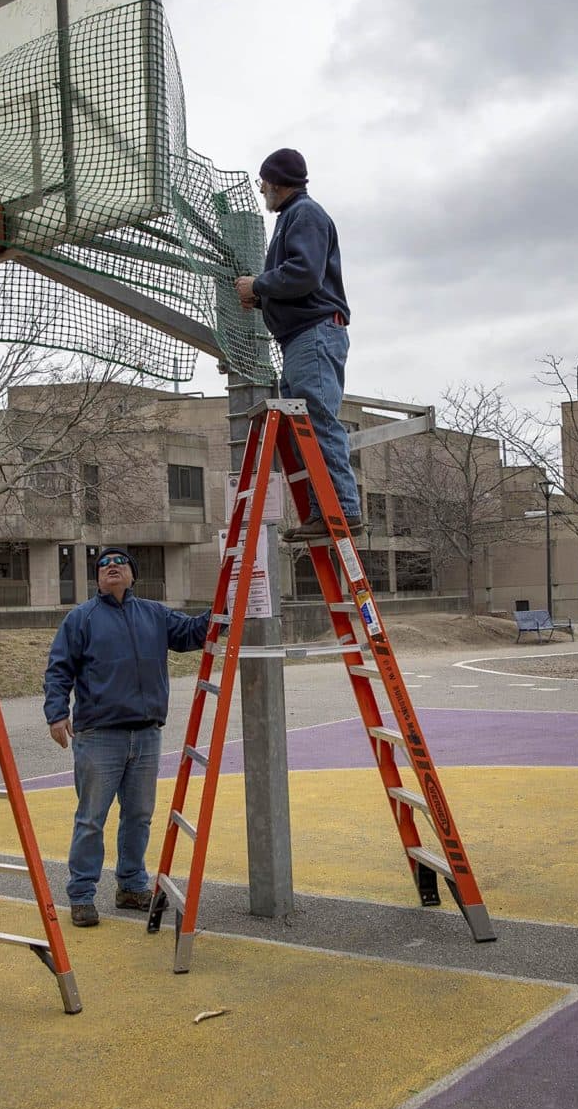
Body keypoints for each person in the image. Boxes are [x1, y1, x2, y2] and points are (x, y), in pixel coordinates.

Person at [43, 545, 211, 927]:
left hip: (146, 734)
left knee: (138, 816)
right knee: (91, 819)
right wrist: (56, 714)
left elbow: (191, 634)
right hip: (99, 736)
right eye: (103, 564)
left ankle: (132, 886)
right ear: (97, 578)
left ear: (132, 575)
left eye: (119, 563)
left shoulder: (154, 614)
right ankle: (82, 895)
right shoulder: (80, 619)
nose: (111, 567)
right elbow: (58, 670)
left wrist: (226, 604)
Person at [234, 147, 363, 542]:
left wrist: (258, 284)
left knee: (318, 420)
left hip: (314, 333)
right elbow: (299, 279)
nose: (261, 190)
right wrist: (263, 296)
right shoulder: (293, 217)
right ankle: (323, 511)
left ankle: (343, 510)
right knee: (302, 426)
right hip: (300, 337)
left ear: (273, 182)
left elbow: (305, 274)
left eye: (262, 183)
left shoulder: (304, 214)